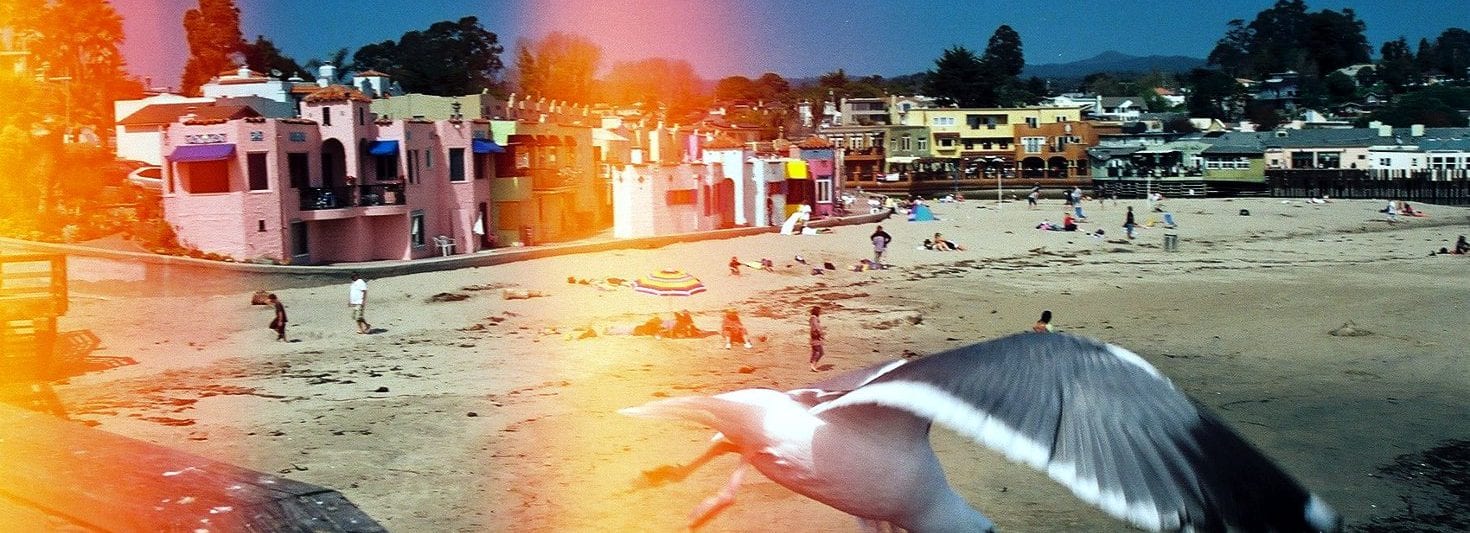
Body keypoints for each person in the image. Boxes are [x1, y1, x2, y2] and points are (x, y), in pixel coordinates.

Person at [808, 306, 824, 372]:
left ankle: (812, 365)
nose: (820, 312)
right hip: (815, 337)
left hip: (815, 337)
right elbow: (815, 327)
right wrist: (820, 334)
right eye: (819, 311)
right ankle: (813, 365)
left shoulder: (813, 318)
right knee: (819, 352)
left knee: (817, 352)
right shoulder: (814, 318)